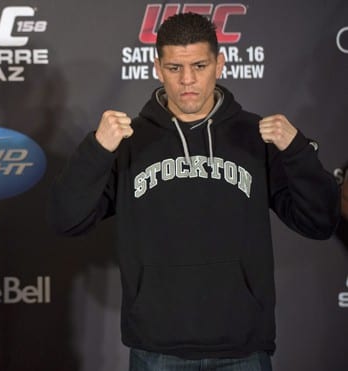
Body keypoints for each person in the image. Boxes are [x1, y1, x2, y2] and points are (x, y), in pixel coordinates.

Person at [48, 13, 339, 371]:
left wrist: (296, 151)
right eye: (174, 68)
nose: (187, 80)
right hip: (156, 349)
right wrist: (96, 149)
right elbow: (66, 219)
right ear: (157, 68)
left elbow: (320, 222)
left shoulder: (255, 136)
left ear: (220, 63)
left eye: (199, 65)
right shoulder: (128, 142)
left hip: (242, 348)